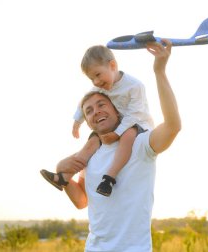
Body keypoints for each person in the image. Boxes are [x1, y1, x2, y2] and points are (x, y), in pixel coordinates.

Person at [56, 39, 180, 251]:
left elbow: (172, 125)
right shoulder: (90, 156)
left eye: (101, 104)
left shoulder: (140, 144)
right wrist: (62, 173)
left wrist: (159, 71)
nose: (97, 112)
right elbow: (82, 201)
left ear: (115, 110)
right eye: (89, 111)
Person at [40, 44, 154, 196]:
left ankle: (109, 178)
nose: (96, 82)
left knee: (128, 135)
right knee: (93, 140)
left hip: (138, 124)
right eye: (91, 78)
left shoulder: (134, 86)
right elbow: (84, 101)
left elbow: (134, 116)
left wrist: (117, 133)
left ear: (112, 66)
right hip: (118, 124)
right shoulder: (101, 86)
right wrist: (77, 122)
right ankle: (64, 177)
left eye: (98, 75)